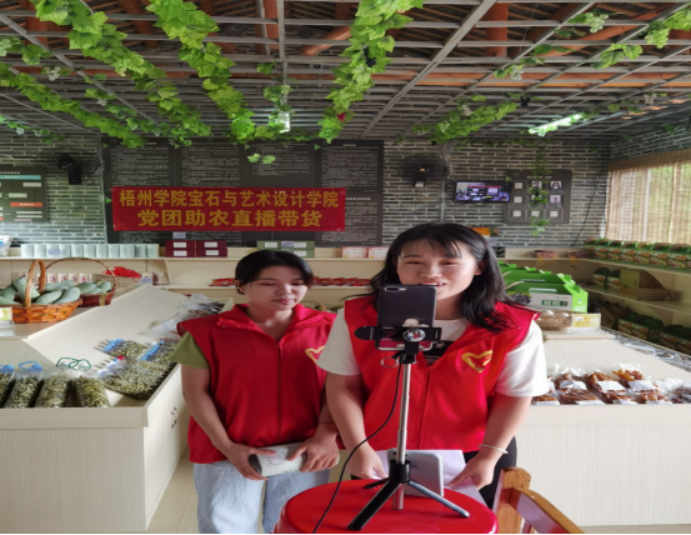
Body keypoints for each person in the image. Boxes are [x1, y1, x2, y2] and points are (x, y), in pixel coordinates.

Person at [319, 223, 548, 508]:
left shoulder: (513, 325)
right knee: (381, 522)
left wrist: (489, 456)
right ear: (396, 264)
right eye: (414, 262)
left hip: (475, 452)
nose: (430, 273)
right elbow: (343, 385)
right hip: (378, 448)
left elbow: (515, 395)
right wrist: (358, 447)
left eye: (449, 262)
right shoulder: (359, 316)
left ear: (479, 266)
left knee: (464, 522)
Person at [171, 251, 340, 534]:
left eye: (297, 283)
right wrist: (227, 446)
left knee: (295, 521)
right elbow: (195, 392)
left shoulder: (331, 328)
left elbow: (338, 387)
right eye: (268, 283)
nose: (285, 292)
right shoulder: (206, 332)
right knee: (226, 524)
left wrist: (327, 434)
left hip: (306, 446)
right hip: (229, 448)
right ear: (241, 286)